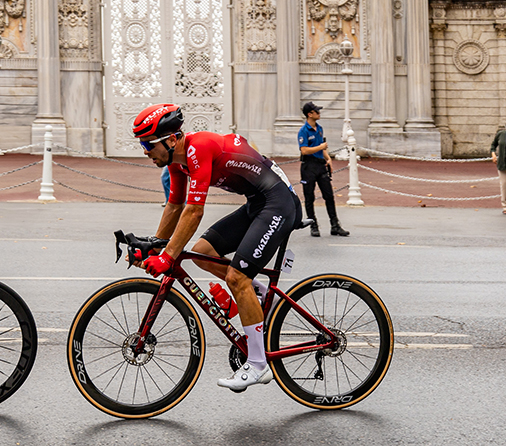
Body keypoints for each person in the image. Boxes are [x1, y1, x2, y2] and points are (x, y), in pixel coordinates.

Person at [133, 103, 302, 392]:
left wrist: (168, 256)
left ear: (171, 139)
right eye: (142, 144)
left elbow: (194, 212)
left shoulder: (198, 149)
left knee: (237, 278)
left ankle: (259, 365)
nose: (145, 151)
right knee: (202, 252)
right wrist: (155, 246)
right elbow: (175, 205)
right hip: (257, 203)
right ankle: (257, 293)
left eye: (149, 144)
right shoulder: (176, 161)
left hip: (278, 204)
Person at [297, 101, 350, 237]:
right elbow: (304, 150)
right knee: (309, 197)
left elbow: (322, 146)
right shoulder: (303, 131)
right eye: (317, 111)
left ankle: (335, 225)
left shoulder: (319, 128)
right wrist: (321, 148)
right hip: (309, 166)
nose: (319, 113)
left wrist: (328, 158)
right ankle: (313, 225)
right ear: (310, 114)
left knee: (329, 195)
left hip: (320, 165)